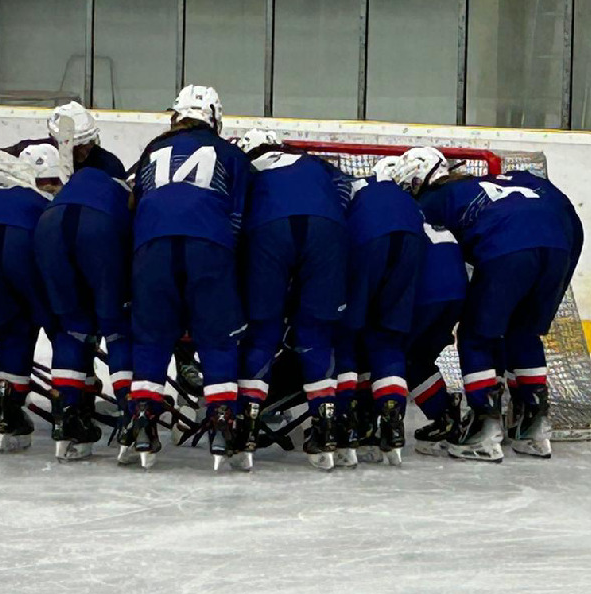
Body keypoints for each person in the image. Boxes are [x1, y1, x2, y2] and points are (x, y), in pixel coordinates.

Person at [410, 146, 582, 463]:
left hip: (508, 250)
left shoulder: (434, 199)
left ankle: (483, 429)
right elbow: (574, 222)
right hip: (559, 247)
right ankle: (534, 427)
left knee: (477, 335)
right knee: (524, 333)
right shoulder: (521, 180)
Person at [120, 85, 253, 471]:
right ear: (214, 116)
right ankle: (223, 422)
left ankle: (142, 421)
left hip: (151, 244)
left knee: (151, 335)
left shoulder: (152, 150)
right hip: (208, 243)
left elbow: (135, 200)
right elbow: (240, 219)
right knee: (219, 337)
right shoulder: (231, 153)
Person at [234, 129, 352, 470]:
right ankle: (327, 428)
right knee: (316, 335)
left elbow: (235, 216)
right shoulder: (312, 162)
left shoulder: (246, 169)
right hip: (326, 227)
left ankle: (247, 429)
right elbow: (346, 188)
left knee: (262, 332)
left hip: (268, 229)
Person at [34, 135, 133, 461]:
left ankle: (67, 422)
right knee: (116, 327)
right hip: (99, 225)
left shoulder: (75, 181)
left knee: (72, 328)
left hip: (50, 222)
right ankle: (131, 421)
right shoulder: (119, 185)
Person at [333, 155, 426, 468]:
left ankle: (345, 423)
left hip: (365, 241)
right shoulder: (405, 198)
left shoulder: (351, 187)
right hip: (411, 241)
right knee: (387, 339)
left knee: (345, 335)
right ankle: (392, 421)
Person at [0, 144, 61, 454]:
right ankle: (71, 405)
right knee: (59, 325)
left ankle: (7, 413)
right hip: (23, 245)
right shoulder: (47, 200)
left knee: (9, 326)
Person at [406, 221, 469, 457]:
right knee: (421, 357)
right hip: (457, 294)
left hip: (427, 294)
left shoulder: (403, 222)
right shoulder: (436, 222)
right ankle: (447, 411)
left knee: (400, 355)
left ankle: (443, 415)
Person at [3, 101, 127, 180]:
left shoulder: (109, 166)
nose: (83, 152)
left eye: (88, 145)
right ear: (55, 140)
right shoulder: (28, 152)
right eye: (77, 147)